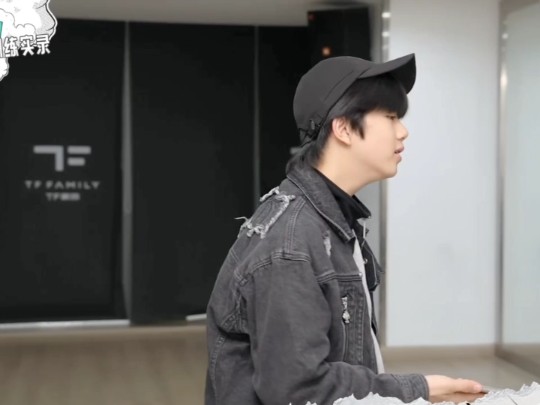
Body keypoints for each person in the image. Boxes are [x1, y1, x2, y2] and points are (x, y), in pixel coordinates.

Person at [205, 54, 485, 405]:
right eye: (391, 117)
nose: (403, 131)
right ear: (344, 129)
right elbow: (300, 389)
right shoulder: (291, 242)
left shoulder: (333, 220)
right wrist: (419, 389)